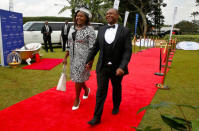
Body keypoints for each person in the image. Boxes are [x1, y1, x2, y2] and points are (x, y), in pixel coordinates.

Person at [86, 8, 132, 125]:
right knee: (101, 91)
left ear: (117, 16)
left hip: (117, 68)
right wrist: (89, 60)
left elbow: (127, 51)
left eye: (111, 13)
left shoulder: (125, 31)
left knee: (116, 87)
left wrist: (122, 67)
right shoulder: (101, 30)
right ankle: (96, 117)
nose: (108, 15)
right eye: (106, 14)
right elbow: (96, 47)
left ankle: (116, 105)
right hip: (102, 67)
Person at [63, 7, 96, 110]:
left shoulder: (90, 30)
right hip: (73, 57)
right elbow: (69, 43)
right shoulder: (72, 28)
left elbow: (93, 47)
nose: (78, 17)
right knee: (78, 77)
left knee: (77, 78)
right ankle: (86, 90)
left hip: (84, 58)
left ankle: (77, 98)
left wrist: (90, 61)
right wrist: (65, 57)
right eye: (77, 15)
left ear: (86, 18)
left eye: (81, 16)